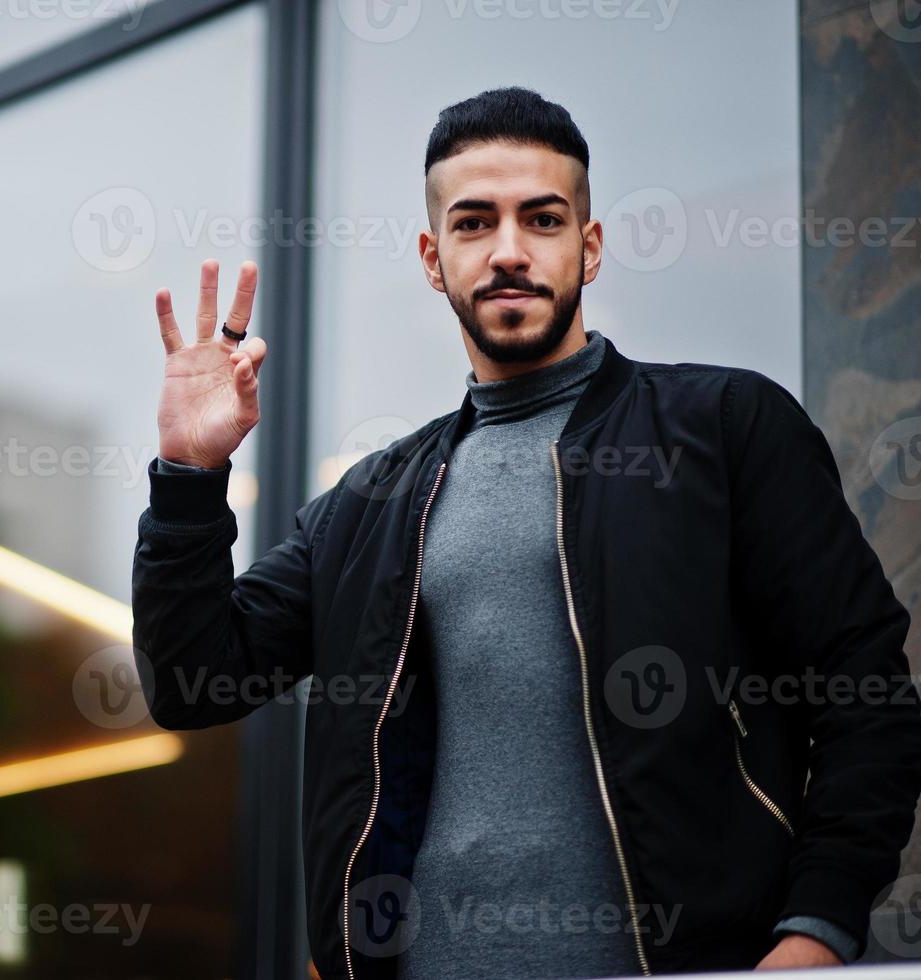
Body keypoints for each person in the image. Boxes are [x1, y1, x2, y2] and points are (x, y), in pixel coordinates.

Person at [131, 86, 921, 979]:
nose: (508, 250)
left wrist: (813, 935)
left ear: (586, 246)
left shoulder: (724, 428)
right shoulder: (367, 505)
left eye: (541, 219)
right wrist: (189, 477)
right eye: (473, 224)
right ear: (434, 259)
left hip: (693, 967)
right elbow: (194, 681)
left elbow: (867, 693)